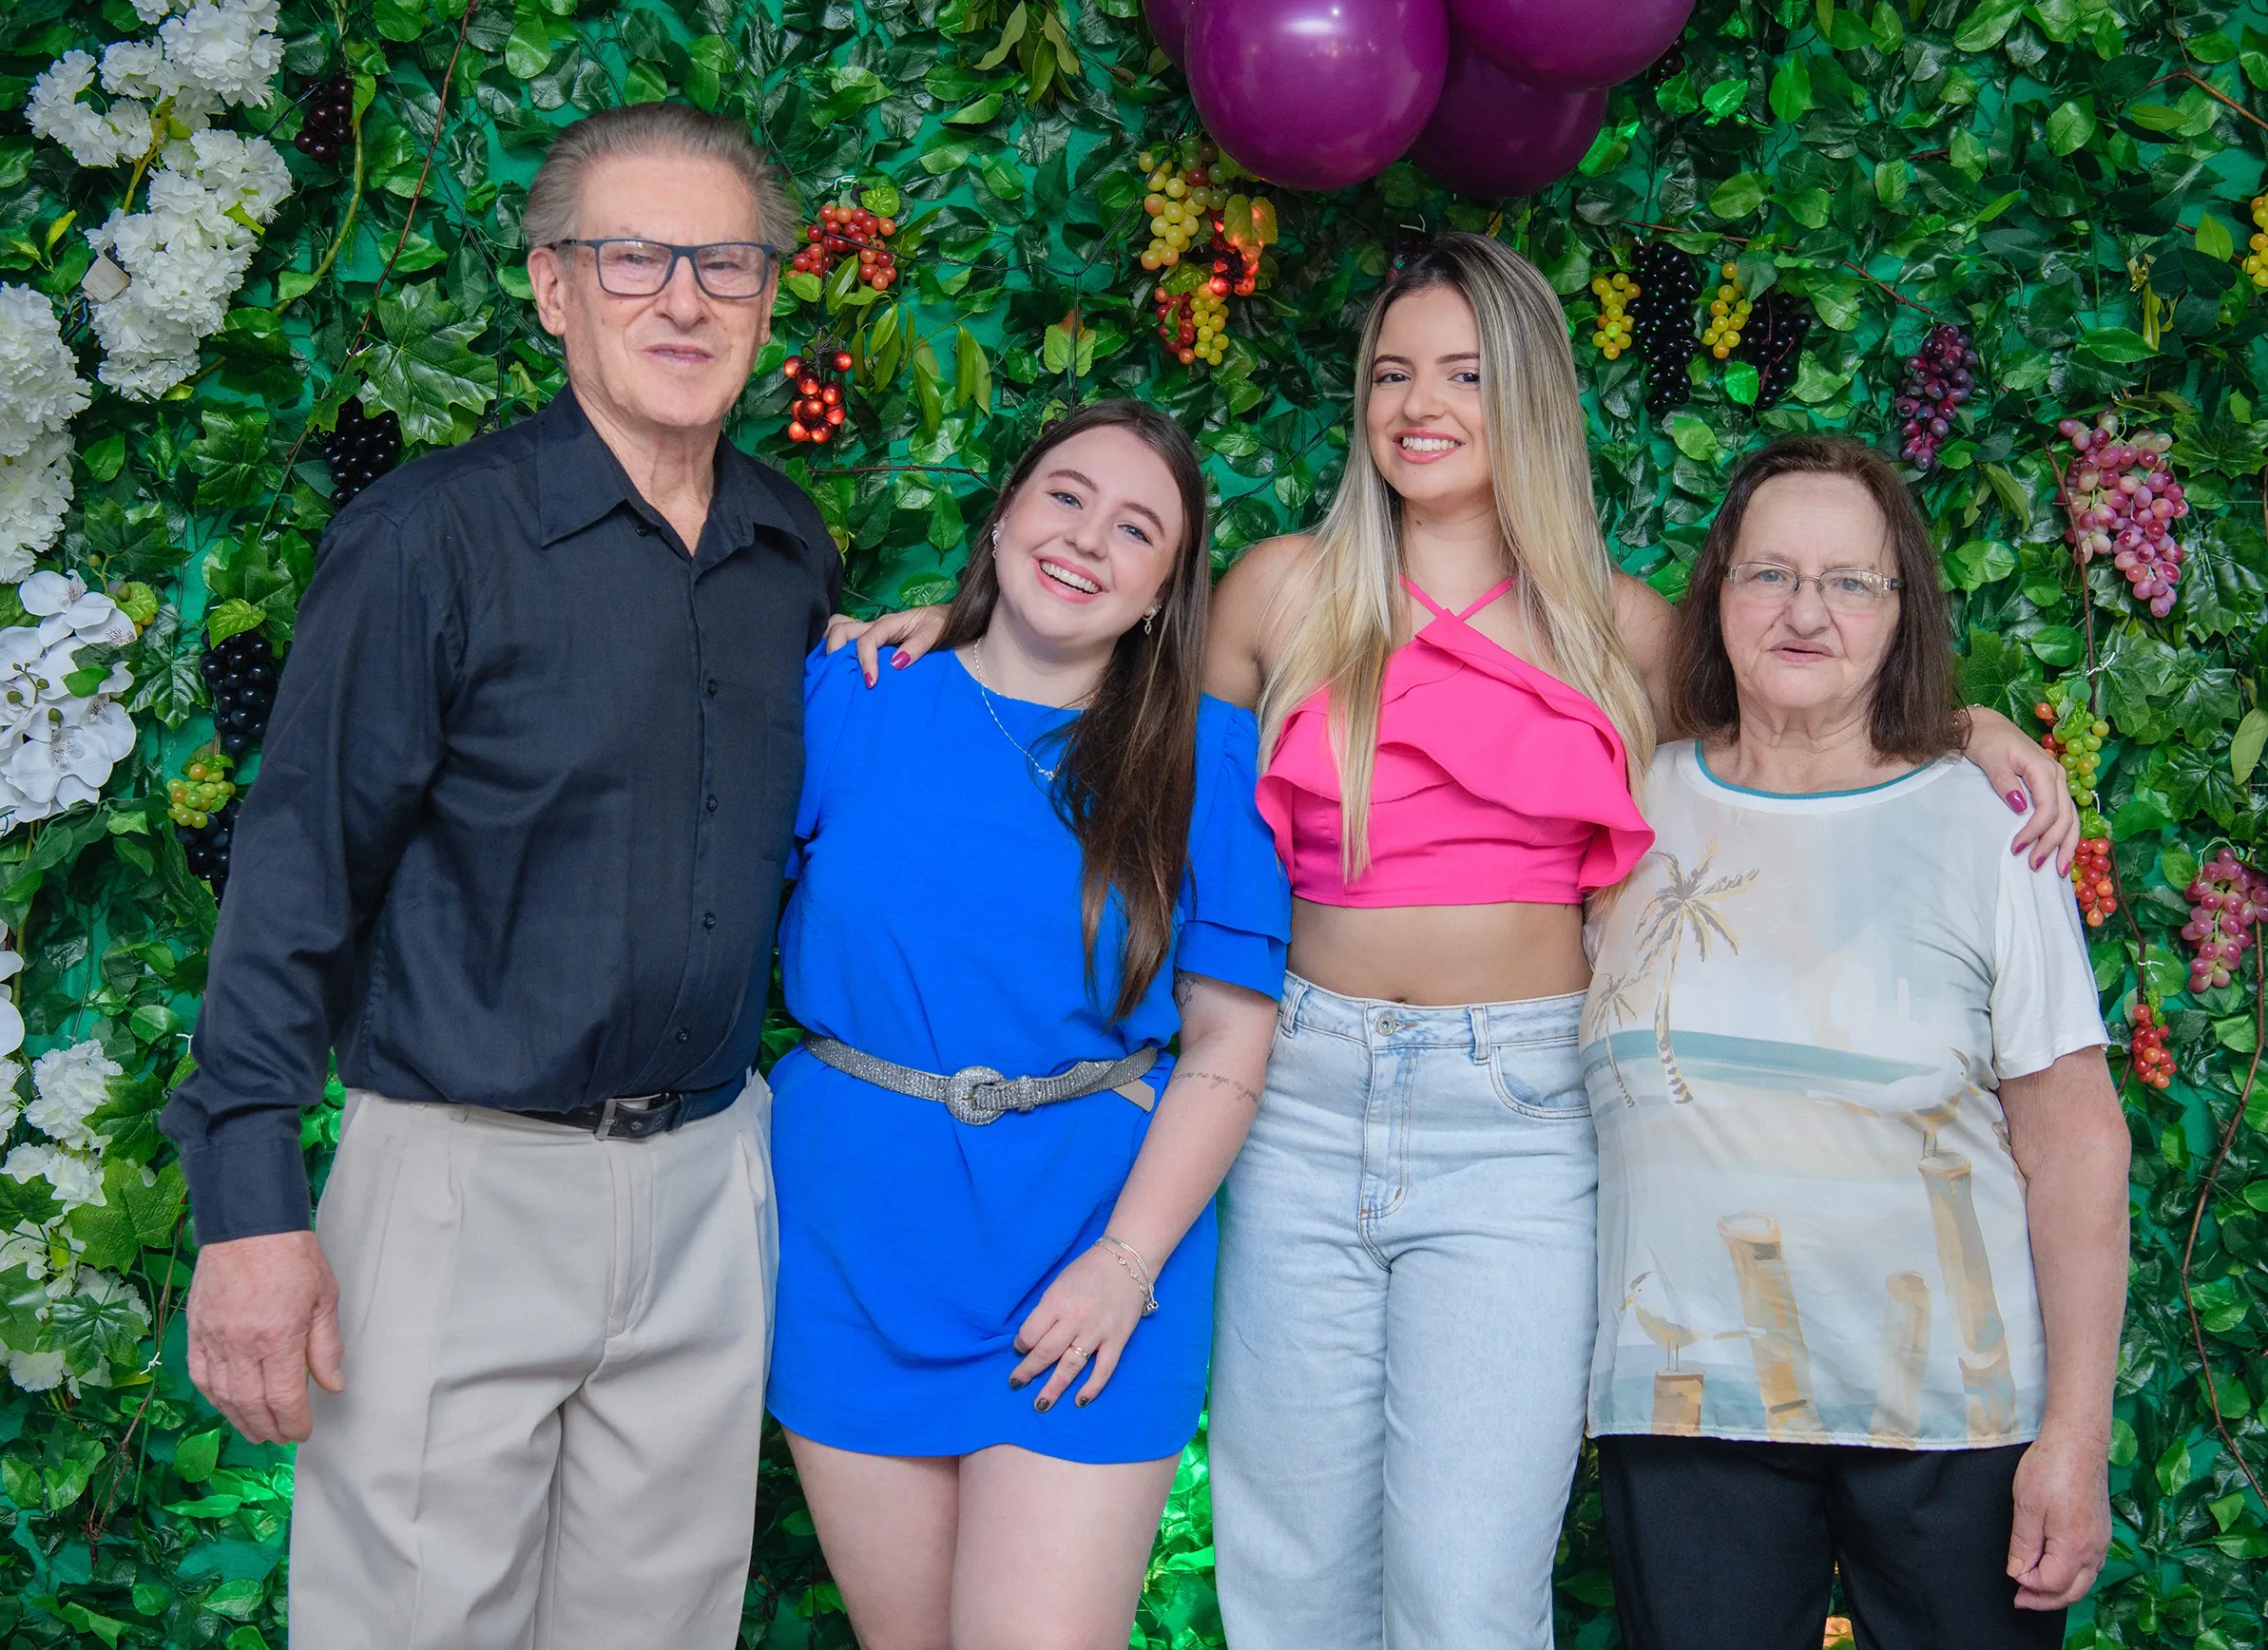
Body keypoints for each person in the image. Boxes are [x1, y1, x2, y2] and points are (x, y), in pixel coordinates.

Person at [833, 235, 2078, 1646]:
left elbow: (1813, 710)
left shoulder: (1623, 627)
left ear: (1529, 393)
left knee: (1468, 1588)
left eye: (1463, 373)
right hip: (1293, 1100)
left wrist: (1969, 728)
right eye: (1390, 372)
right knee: (1287, 1572)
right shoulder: (1279, 592)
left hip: (1519, 1125)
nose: (1417, 403)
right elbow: (1098, 700)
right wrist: (960, 632)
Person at [159, 105, 837, 1649]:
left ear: (767, 294)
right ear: (553, 287)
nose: (683, 298)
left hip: (710, 1184)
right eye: (634, 256)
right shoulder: (428, 542)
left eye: (724, 263)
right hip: (463, 1186)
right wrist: (250, 1211)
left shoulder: (790, 551)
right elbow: (294, 879)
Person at [1581, 434, 2125, 1650]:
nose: (1805, 611)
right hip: (1684, 1407)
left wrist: (2074, 1437)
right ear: (1713, 595)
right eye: (1768, 573)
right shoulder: (1626, 803)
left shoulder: (1985, 823)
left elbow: (2078, 1141)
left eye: (1849, 581)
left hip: (1956, 1419)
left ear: (1900, 611)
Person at [768, 400, 1287, 1650]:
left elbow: (1227, 1043)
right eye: (1064, 496)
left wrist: (1123, 1268)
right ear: (1002, 514)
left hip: (1088, 1255)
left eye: (1134, 529)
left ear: (1165, 591)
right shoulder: (845, 700)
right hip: (854, 1244)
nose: (1085, 539)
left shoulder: (1206, 761)